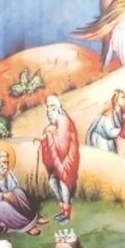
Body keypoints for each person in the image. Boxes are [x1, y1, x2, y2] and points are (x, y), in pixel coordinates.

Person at [39, 95, 80, 224]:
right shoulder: (55, 122)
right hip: (58, 158)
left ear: (58, 107)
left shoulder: (63, 120)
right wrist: (48, 136)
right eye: (48, 107)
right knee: (53, 182)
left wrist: (50, 135)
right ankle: (63, 208)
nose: (49, 110)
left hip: (67, 158)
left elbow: (61, 146)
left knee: (63, 182)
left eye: (52, 106)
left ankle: (66, 214)